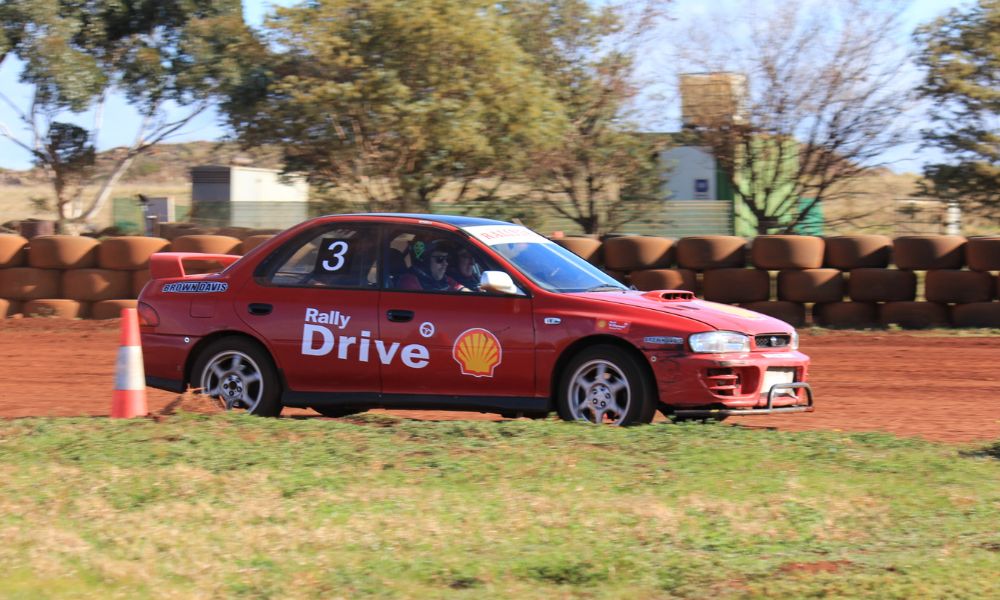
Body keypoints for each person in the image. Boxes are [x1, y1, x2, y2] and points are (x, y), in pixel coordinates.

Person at [397, 239, 468, 291]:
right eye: (440, 259)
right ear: (425, 262)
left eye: (447, 259)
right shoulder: (409, 281)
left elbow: (460, 288)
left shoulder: (444, 278)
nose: (446, 263)